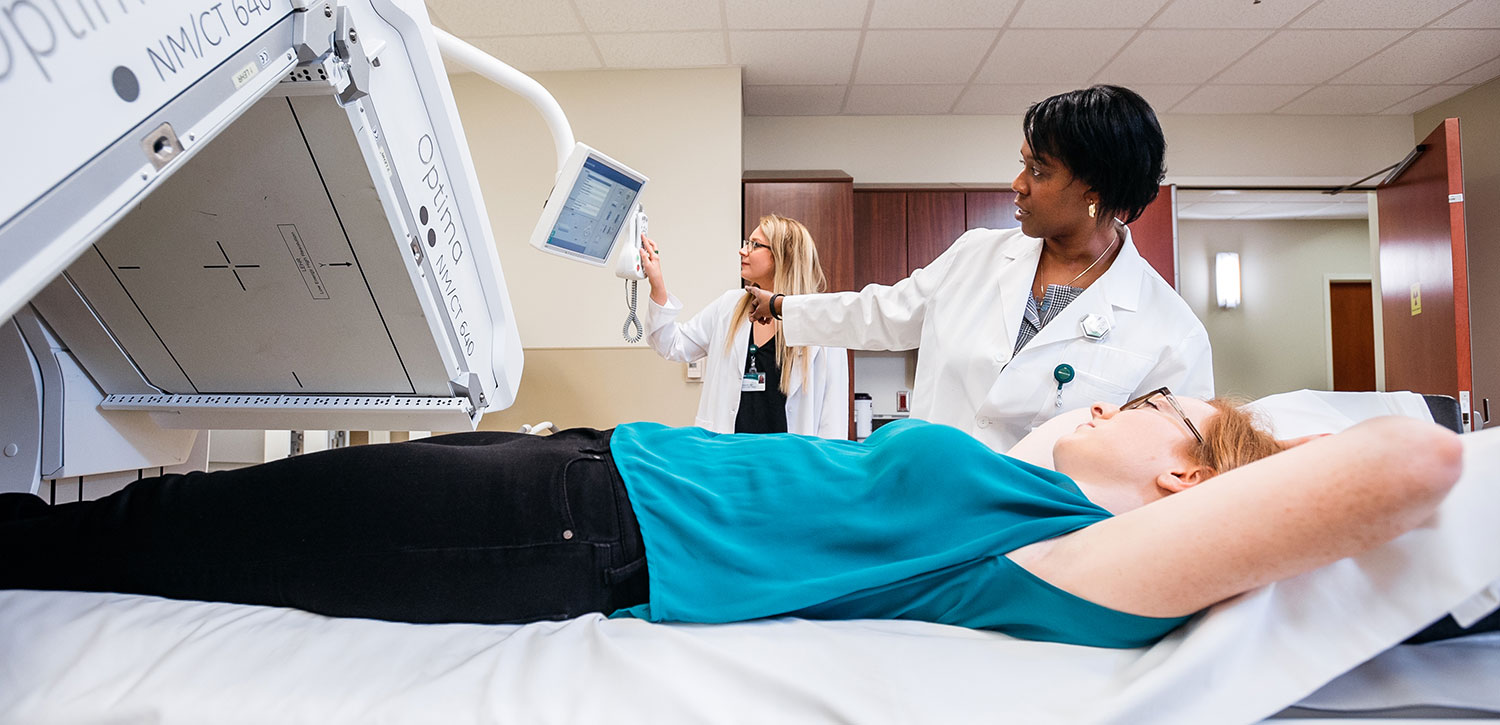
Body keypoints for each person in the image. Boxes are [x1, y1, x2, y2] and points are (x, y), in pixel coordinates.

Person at [0, 391, 1463, 649]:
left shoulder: (1065, 560)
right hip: (577, 475)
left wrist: (1291, 444)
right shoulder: (1033, 486)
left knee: (148, 537)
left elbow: (1417, 471)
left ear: (1196, 477)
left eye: (1157, 403)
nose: (1121, 400)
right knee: (167, 518)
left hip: (568, 539)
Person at [746, 85, 1212, 452]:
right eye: (1022, 165)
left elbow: (1169, 465)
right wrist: (783, 305)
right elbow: (883, 313)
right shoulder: (977, 255)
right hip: (930, 507)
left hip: (1046, 542)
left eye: (1039, 171)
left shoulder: (1171, 332)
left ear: (1094, 191)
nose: (1018, 184)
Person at [640, 213, 848, 437]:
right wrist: (657, 283)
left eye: (755, 245)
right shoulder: (729, 307)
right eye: (746, 243)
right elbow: (671, 344)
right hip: (728, 459)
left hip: (787, 465)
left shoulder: (820, 323)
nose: (743, 251)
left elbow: (832, 422)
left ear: (783, 256)